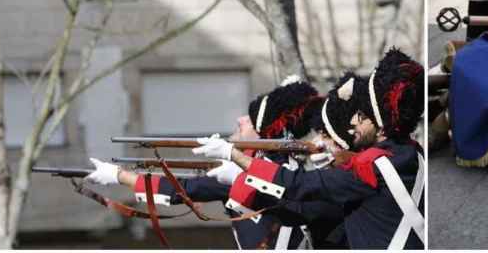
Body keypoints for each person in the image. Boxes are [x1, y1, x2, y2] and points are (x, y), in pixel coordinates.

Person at [197, 49, 425, 250]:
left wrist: (235, 157)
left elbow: (300, 187)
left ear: (382, 124)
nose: (354, 121)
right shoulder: (410, 152)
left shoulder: (371, 165)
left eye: (362, 116)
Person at [84, 79, 340, 249]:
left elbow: (180, 190)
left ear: (265, 132)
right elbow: (183, 187)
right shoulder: (284, 167)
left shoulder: (286, 170)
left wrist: (120, 176)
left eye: (250, 120)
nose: (241, 120)